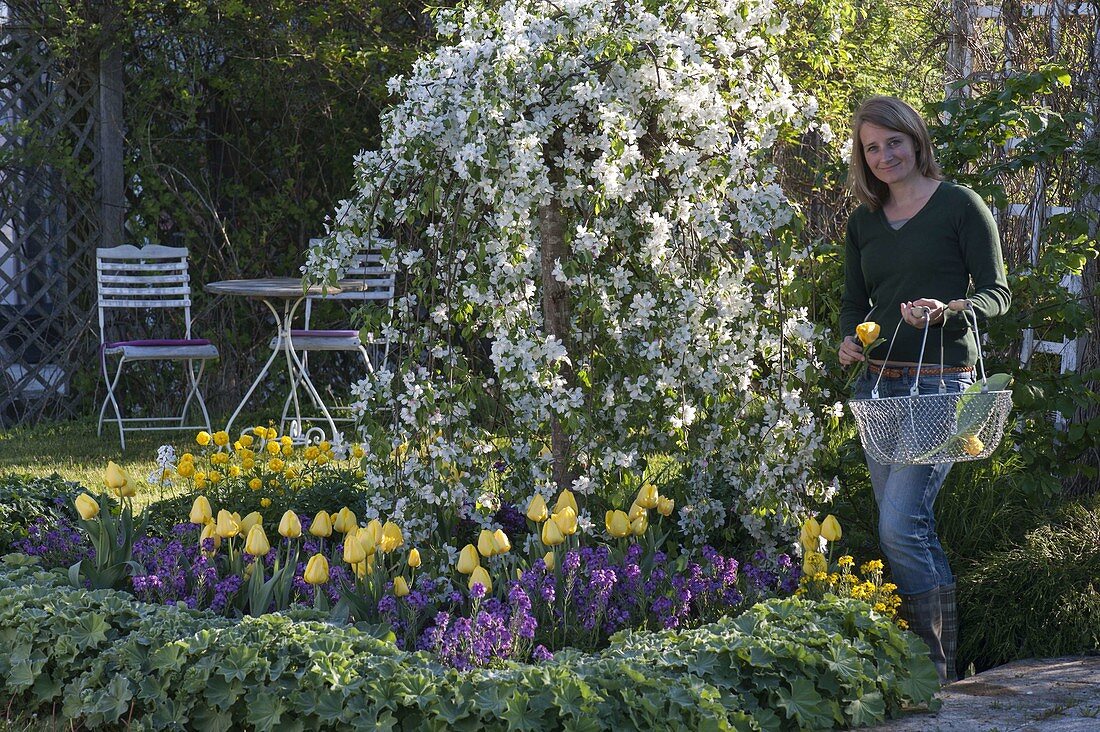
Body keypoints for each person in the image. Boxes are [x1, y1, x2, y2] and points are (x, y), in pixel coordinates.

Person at [838, 95, 1011, 685]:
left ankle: (929, 674)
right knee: (908, 528)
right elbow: (853, 305)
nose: (884, 155)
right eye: (872, 147)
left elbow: (997, 294)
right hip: (878, 389)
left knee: (898, 525)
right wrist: (847, 341)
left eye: (893, 142)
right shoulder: (863, 223)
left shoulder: (960, 206)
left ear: (915, 140)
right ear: (863, 158)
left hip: (942, 388)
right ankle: (940, 675)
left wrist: (950, 309)